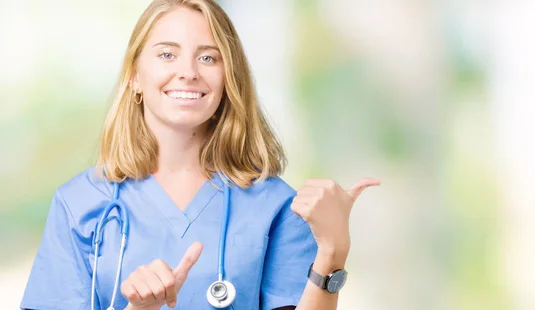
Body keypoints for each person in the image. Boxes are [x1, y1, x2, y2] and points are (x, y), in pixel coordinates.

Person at [20, 0, 379, 309]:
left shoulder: (274, 205)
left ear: (228, 79)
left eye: (208, 57)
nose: (188, 72)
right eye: (166, 54)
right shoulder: (79, 204)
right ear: (134, 76)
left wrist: (333, 250)